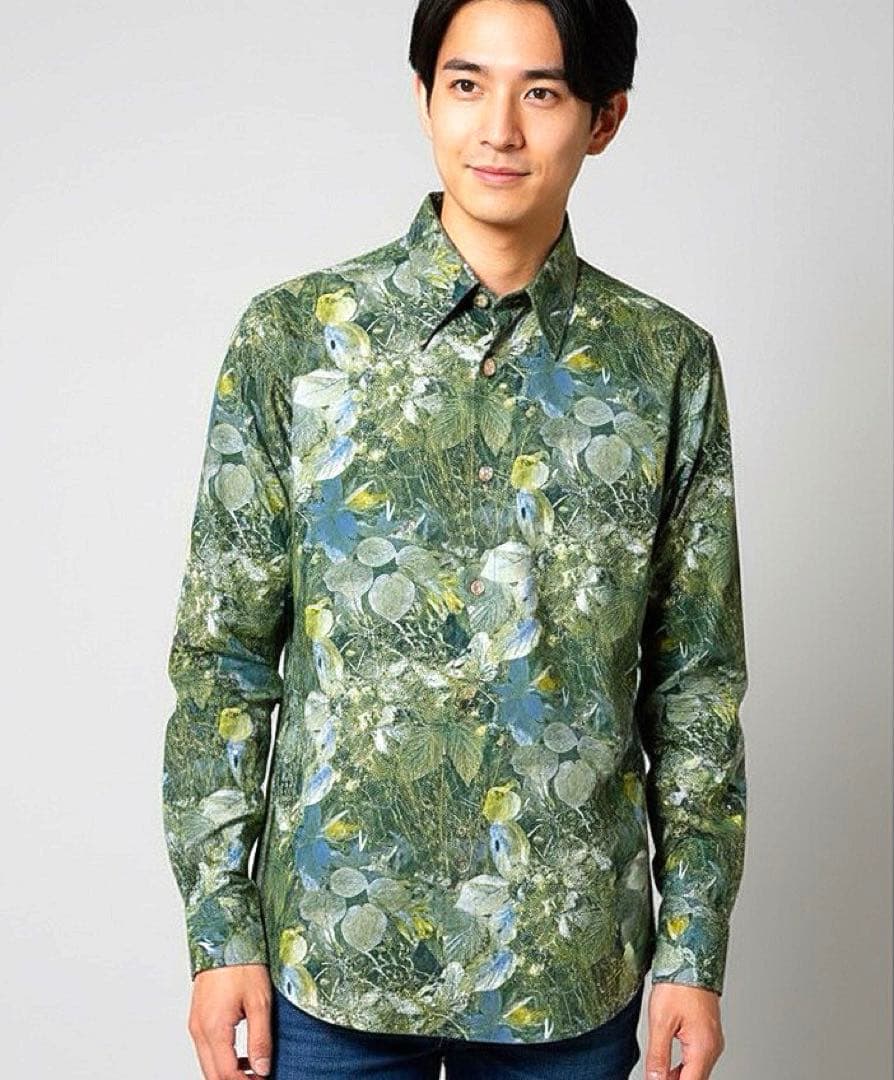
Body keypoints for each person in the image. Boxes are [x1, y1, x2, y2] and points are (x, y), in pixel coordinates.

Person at [161, 1, 749, 1078]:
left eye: (542, 92)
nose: (499, 130)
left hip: (571, 972)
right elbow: (223, 660)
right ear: (425, 97)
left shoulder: (665, 366)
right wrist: (219, 932)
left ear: (605, 118)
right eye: (467, 85)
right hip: (327, 967)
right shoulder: (294, 339)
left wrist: (693, 952)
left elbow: (695, 686)